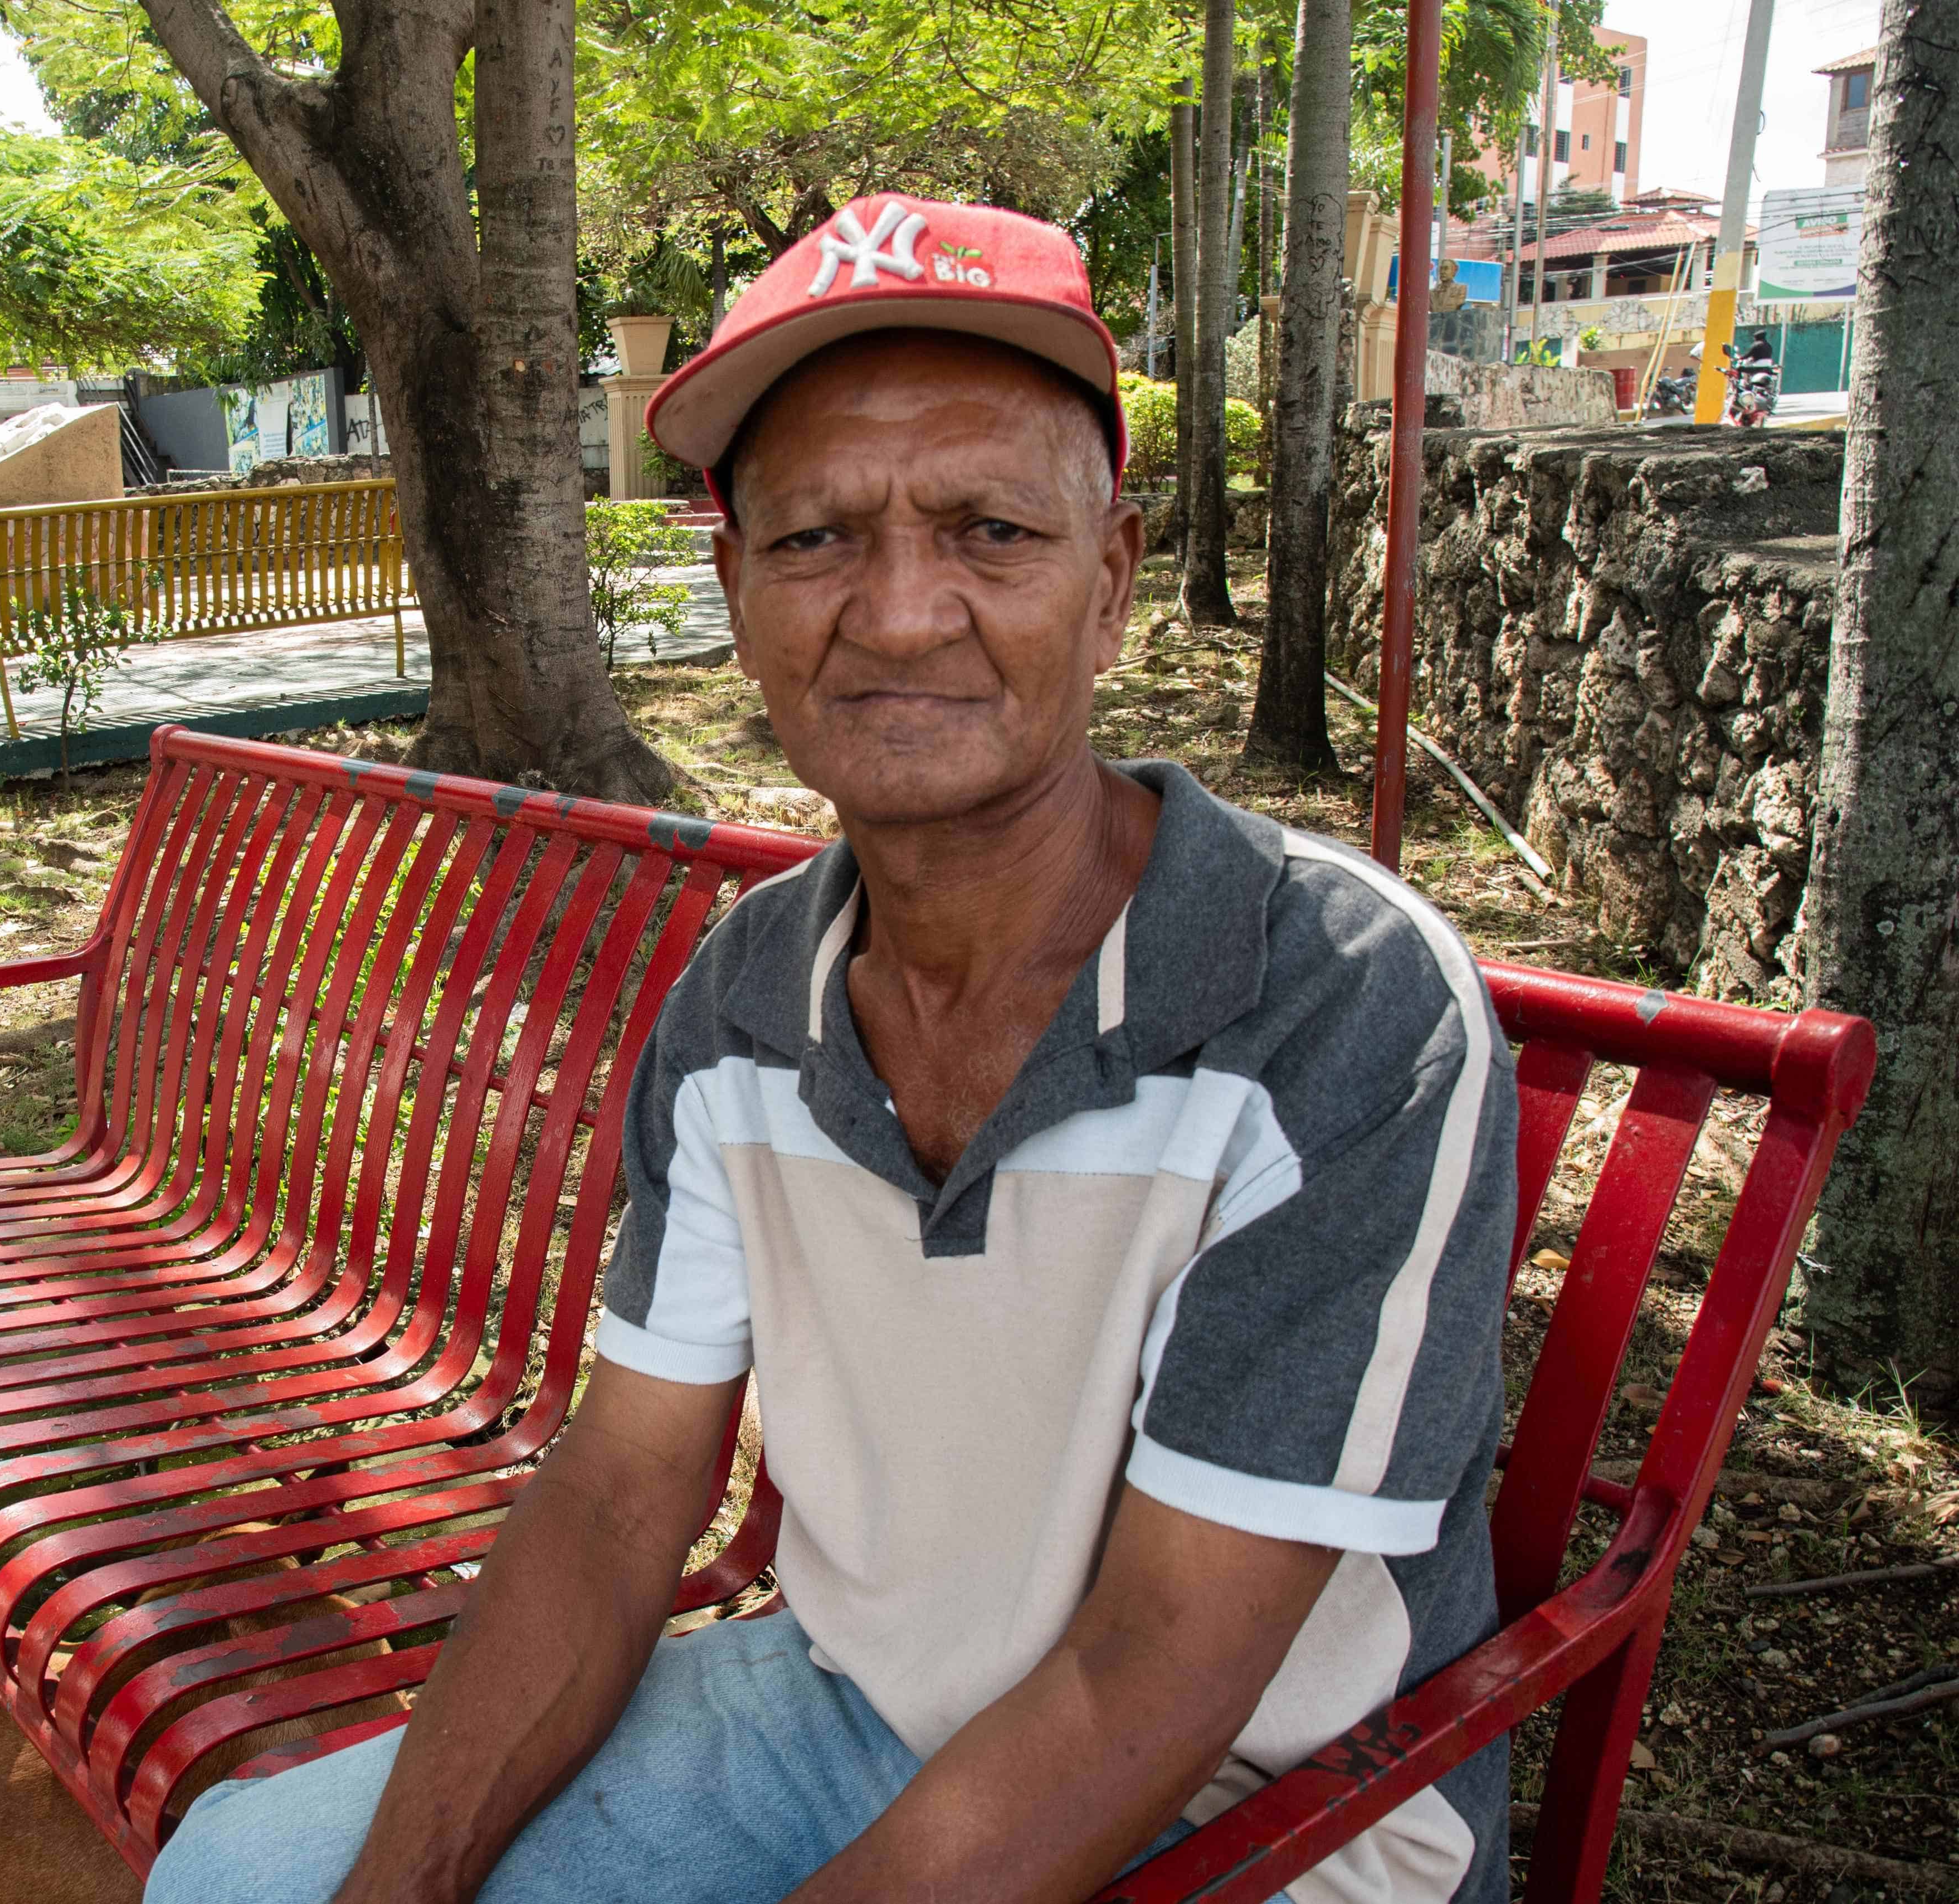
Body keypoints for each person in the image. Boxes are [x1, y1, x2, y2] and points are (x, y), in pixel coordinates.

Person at [145, 196, 1518, 1904]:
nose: (899, 610)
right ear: (735, 589)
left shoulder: (1335, 1000)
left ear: (1113, 584)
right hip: (856, 1702)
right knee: (247, 1874)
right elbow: (622, 1486)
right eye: (813, 540)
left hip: (1264, 1811)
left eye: (992, 529)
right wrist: (396, 1888)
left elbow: (1157, 1664)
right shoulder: (748, 997)